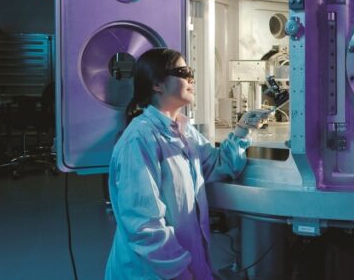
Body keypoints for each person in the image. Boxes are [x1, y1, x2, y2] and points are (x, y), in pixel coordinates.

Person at [105, 48, 271, 279]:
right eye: (183, 72)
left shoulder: (184, 131)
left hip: (184, 266)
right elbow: (144, 228)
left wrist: (243, 129)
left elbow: (218, 166)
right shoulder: (140, 139)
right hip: (153, 272)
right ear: (157, 84)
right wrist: (181, 273)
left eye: (191, 72)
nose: (191, 79)